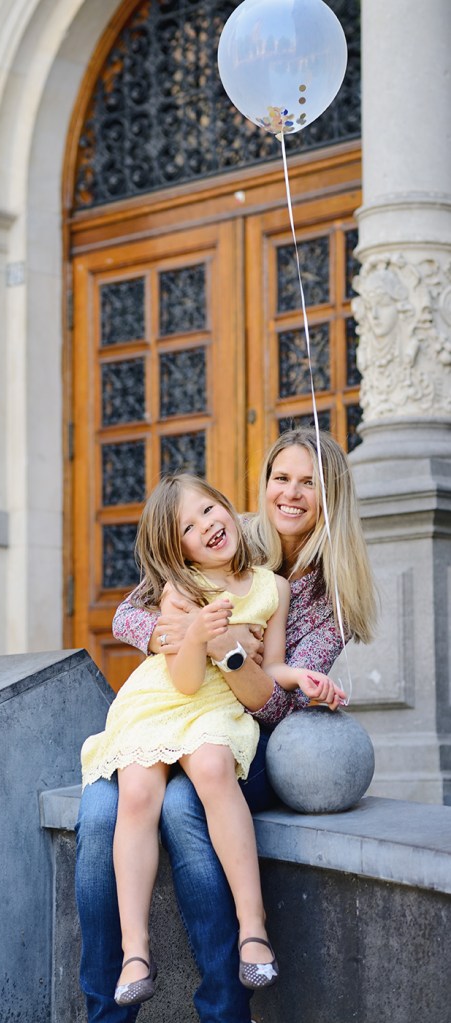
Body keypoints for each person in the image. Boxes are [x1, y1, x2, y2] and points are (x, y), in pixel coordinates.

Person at [75, 429, 376, 1023]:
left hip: (251, 736)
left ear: (331, 496)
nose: (289, 494)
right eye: (280, 478)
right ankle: (109, 1009)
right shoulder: (223, 533)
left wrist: (231, 650)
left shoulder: (327, 599)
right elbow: (130, 612)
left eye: (309, 483)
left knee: (185, 804)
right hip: (170, 712)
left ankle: (225, 1005)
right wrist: (171, 634)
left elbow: (272, 707)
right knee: (100, 812)